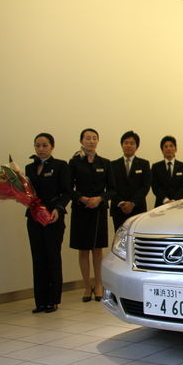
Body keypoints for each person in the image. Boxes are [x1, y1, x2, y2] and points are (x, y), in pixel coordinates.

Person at [25, 133, 71, 313]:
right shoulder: (29, 168)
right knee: (38, 258)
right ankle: (40, 301)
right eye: (38, 145)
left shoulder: (60, 165)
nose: (41, 149)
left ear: (52, 146)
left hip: (53, 218)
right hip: (34, 218)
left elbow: (66, 192)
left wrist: (58, 209)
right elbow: (28, 193)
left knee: (52, 257)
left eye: (45, 145)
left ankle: (53, 300)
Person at [69, 128, 115, 302]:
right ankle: (87, 286)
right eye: (87, 138)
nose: (91, 141)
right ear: (81, 141)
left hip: (98, 210)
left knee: (97, 249)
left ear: (98, 141)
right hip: (81, 209)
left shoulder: (105, 163)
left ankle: (99, 285)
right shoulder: (74, 163)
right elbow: (68, 188)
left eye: (94, 138)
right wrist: (82, 198)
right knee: (83, 249)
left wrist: (100, 198)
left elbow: (112, 189)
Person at [110, 131, 151, 231]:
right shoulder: (113, 165)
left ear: (137, 146)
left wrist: (132, 203)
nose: (129, 145)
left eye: (132, 143)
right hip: (119, 209)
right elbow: (111, 186)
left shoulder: (144, 164)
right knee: (120, 237)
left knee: (136, 236)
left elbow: (145, 186)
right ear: (122, 145)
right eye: (126, 143)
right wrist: (122, 203)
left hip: (138, 208)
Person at [151, 135, 183, 207]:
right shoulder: (155, 167)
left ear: (176, 149)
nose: (169, 148)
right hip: (161, 204)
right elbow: (155, 187)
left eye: (171, 146)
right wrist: (166, 200)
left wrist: (174, 200)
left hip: (178, 203)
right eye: (166, 146)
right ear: (162, 150)